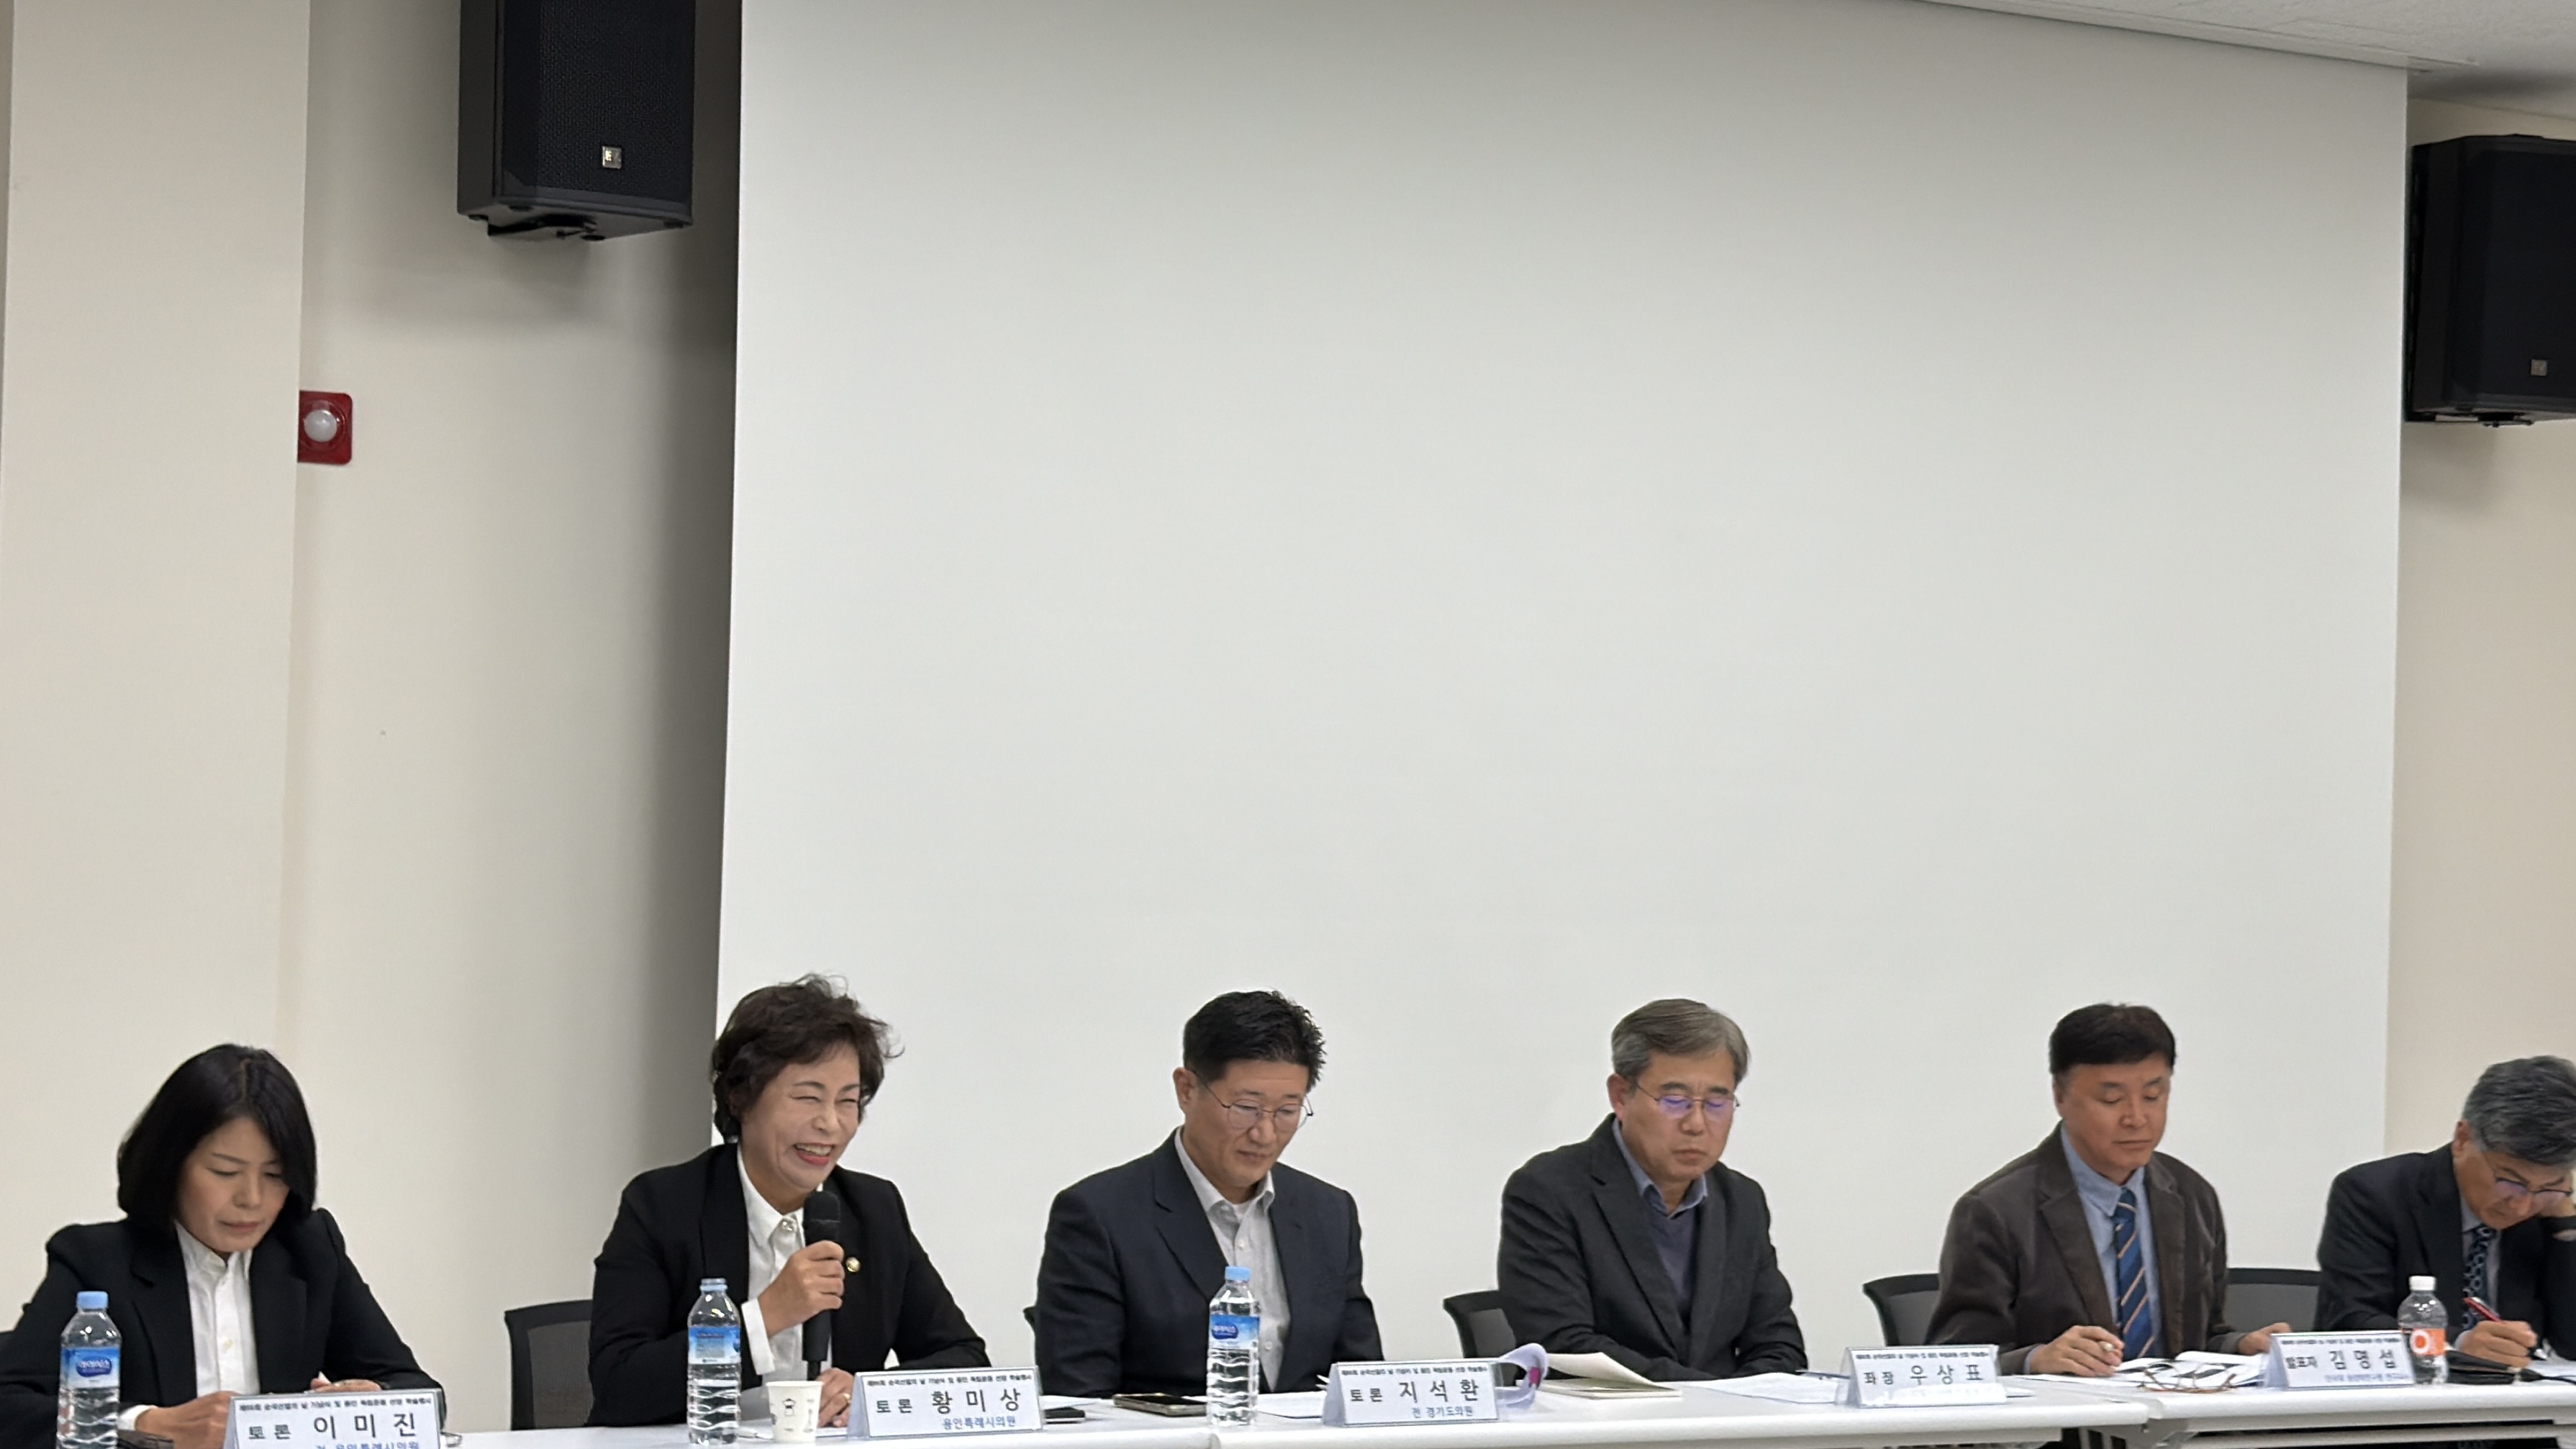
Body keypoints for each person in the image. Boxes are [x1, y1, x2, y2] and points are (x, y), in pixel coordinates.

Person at [588, 977, 984, 1428]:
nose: (830, 1124)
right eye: (807, 1097)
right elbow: (619, 1385)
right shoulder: (663, 1205)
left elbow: (964, 1359)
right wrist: (765, 1317)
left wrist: (868, 1393)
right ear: (740, 1098)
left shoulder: (874, 1209)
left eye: (848, 1101)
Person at [0, 1046, 435, 1449]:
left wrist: (371, 1399)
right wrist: (145, 1423)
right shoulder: (97, 1261)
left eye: (275, 1175)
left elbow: (419, 1392)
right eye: (226, 1172)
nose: (252, 1199)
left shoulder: (309, 1250)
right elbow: (10, 1406)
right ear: (171, 1164)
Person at [1035, 991, 1381, 1396]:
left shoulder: (1328, 1212)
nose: (1265, 1134)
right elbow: (1081, 1401)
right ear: (1187, 1090)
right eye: (1246, 1107)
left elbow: (1363, 1382)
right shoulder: (1099, 1216)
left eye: (1288, 1111)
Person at [1927, 1003, 2287, 1373]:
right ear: (2060, 1096)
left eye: (2153, 1096)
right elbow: (1955, 1362)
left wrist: (2238, 1347)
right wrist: (2035, 1360)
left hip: (2173, 1408)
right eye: (2111, 1100)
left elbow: (2198, 1341)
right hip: (2063, 1411)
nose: (2136, 1118)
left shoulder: (2191, 1196)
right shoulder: (1995, 1211)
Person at [1497, 999, 1804, 1381]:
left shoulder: (1741, 1200)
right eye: (1675, 1100)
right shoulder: (1549, 1190)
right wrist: (1710, 1397)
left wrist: (1742, 1402)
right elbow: (1564, 1344)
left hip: (1727, 1417)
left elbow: (1779, 1345)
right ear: (1621, 1095)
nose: (1696, 1124)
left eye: (1716, 1101)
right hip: (1609, 1416)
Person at [2316, 1055, 2576, 1367]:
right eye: (2510, 1181)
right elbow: (2350, 1323)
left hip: (2519, 1395)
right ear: (2463, 1139)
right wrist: (2456, 1344)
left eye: (2548, 1186)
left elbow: (2571, 1343)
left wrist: (2566, 1226)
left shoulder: (2548, 1211)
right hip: (2406, 1395)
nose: (2521, 1206)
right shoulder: (2375, 1194)